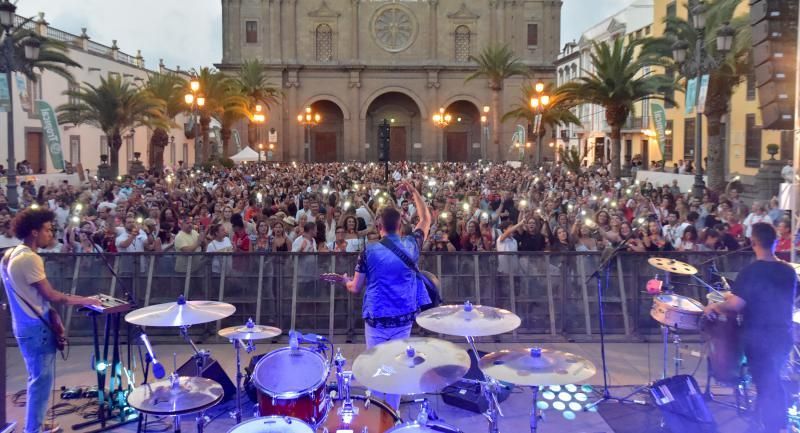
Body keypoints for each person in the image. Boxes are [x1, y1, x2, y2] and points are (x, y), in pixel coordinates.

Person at [1, 208, 100, 433]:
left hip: (24, 326)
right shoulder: (30, 258)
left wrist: (52, 313)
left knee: (38, 379)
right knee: (41, 383)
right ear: (34, 232)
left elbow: (31, 296)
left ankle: (36, 423)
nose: (50, 234)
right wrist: (87, 300)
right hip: (36, 330)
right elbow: (53, 295)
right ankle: (33, 430)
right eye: (46, 230)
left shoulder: (10, 254)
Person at [343, 181, 431, 410]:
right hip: (403, 319)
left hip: (377, 319)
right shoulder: (412, 245)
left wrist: (344, 281)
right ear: (400, 224)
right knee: (398, 367)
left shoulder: (368, 251)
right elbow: (425, 220)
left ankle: (376, 413)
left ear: (377, 224)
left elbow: (354, 287)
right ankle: (392, 414)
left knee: (376, 366)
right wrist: (414, 191)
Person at [704, 223, 796, 433]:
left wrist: (715, 305)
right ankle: (765, 422)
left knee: (767, 384)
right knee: (770, 379)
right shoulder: (788, 271)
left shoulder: (751, 271)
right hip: (782, 336)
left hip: (759, 338)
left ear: (753, 242)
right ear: (775, 242)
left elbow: (735, 306)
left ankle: (776, 427)